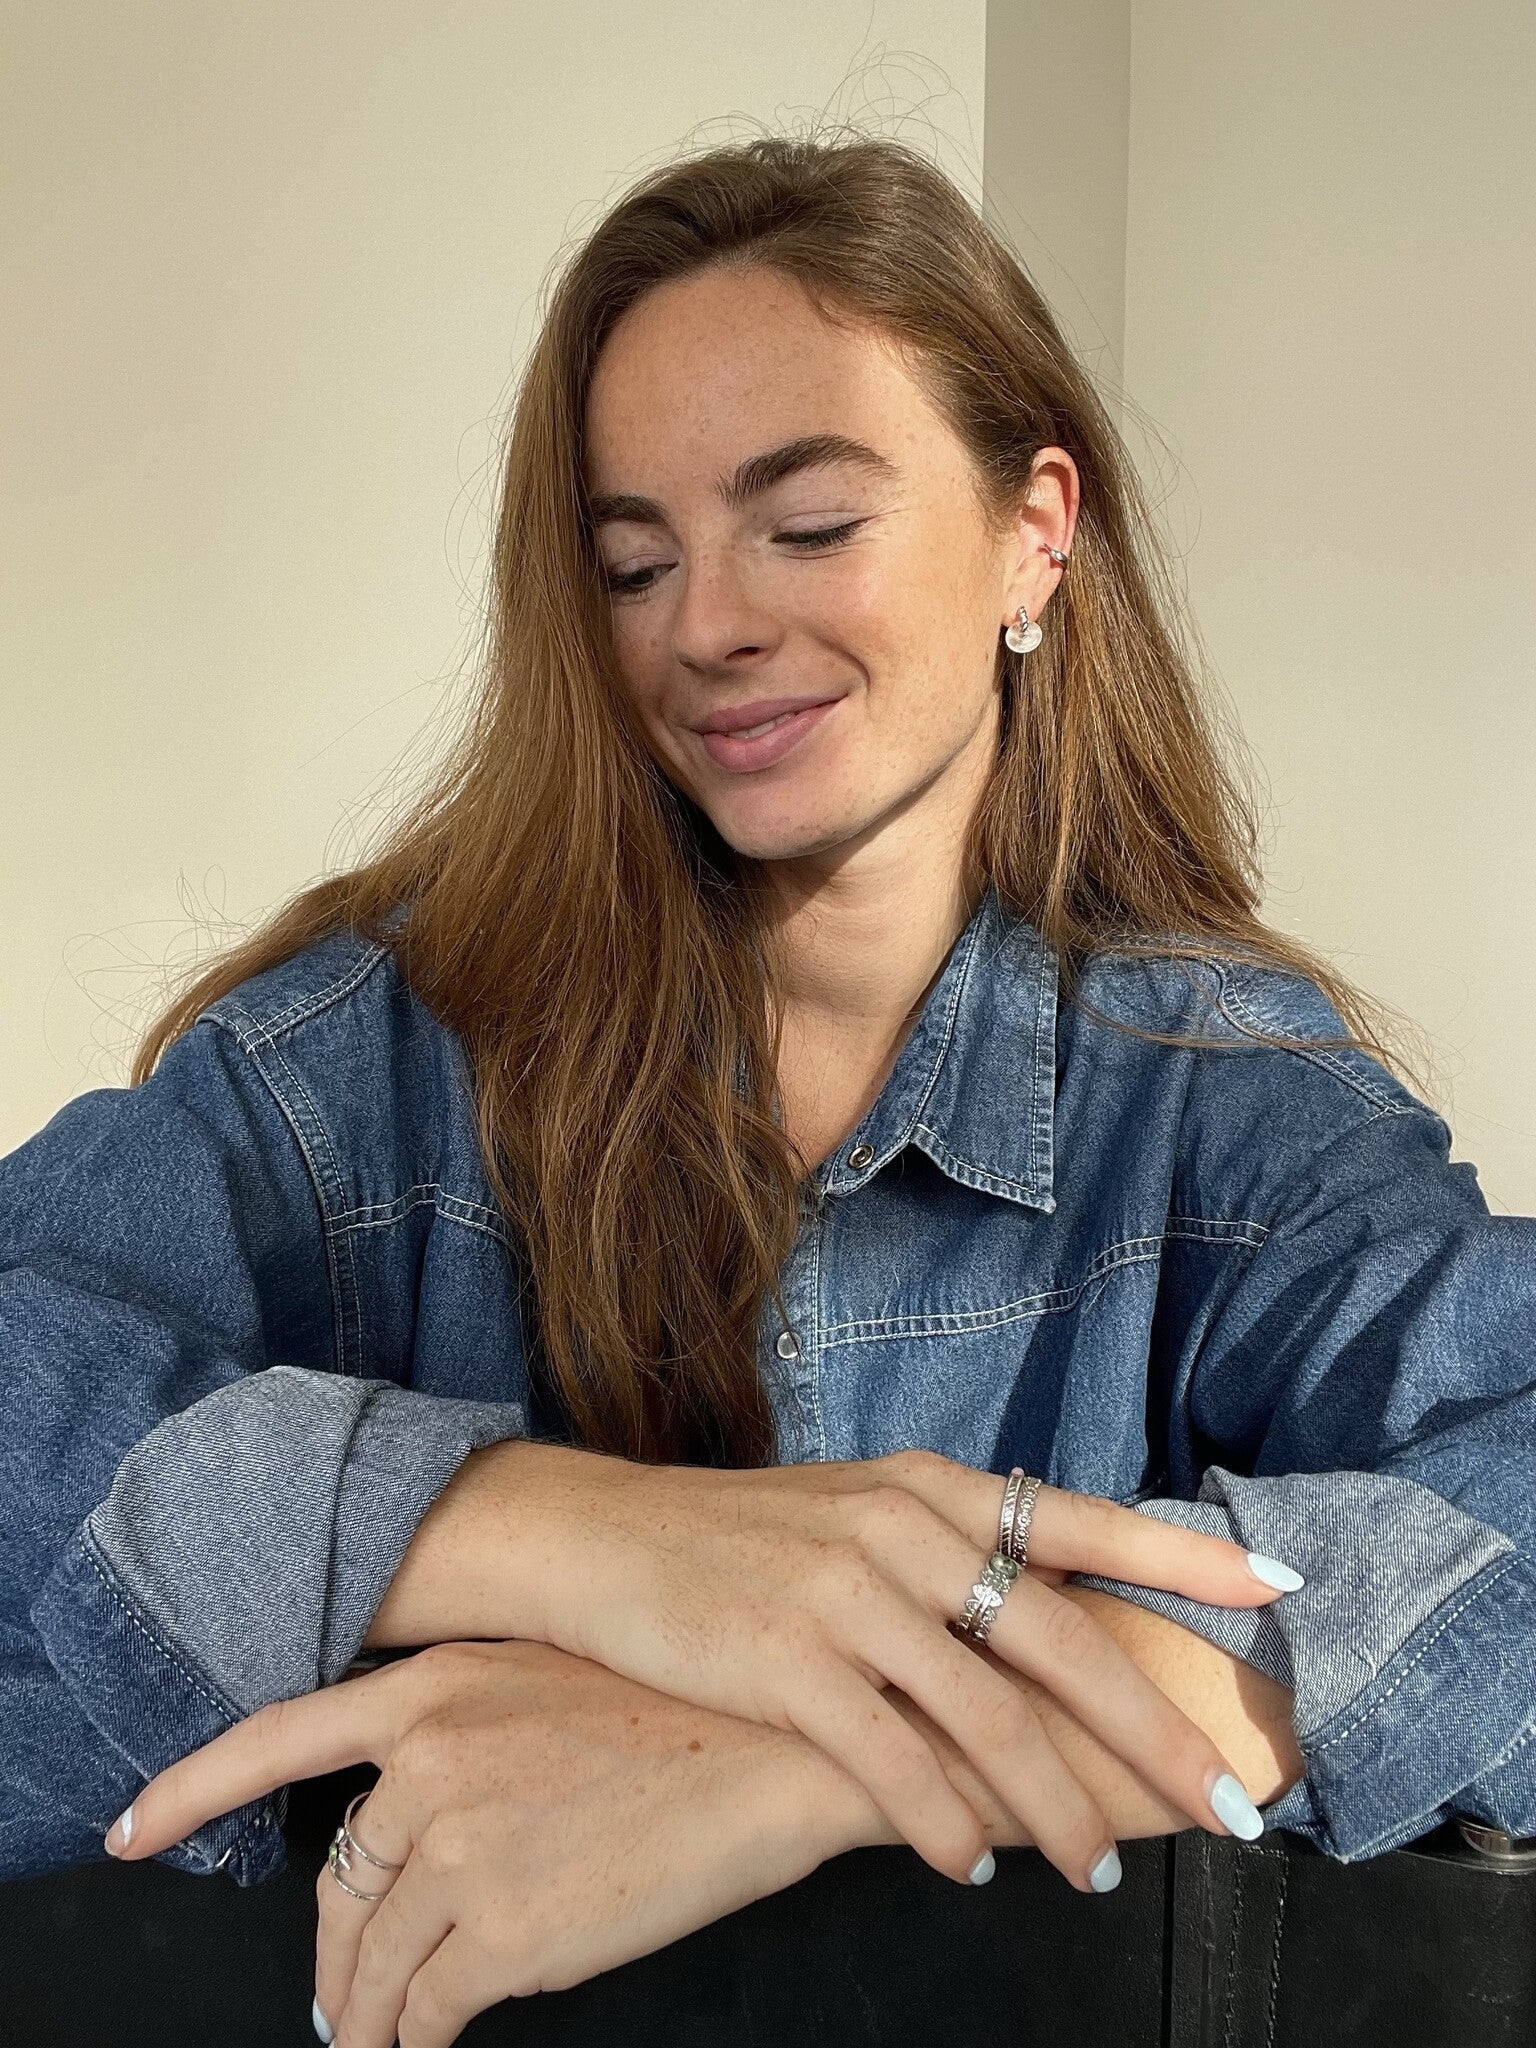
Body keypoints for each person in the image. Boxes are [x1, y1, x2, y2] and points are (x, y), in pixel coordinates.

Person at [2, 131, 1531, 2048]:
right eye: (632, 560)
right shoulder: (361, 1072)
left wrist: (818, 1742)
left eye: (806, 526)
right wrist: (590, 1545)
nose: (707, 622)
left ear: (1036, 530)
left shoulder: (1224, 1105)